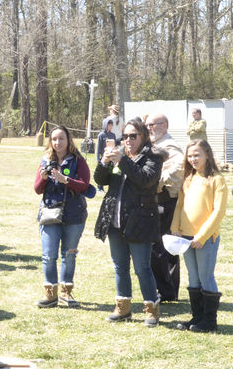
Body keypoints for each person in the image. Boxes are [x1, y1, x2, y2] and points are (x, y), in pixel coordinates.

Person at [94, 118, 163, 327]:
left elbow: (145, 179)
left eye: (133, 136)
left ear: (143, 136)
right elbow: (100, 180)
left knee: (142, 268)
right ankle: (123, 308)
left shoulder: (153, 156)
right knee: (120, 266)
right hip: (115, 220)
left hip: (139, 221)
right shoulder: (120, 155)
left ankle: (152, 309)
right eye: (125, 136)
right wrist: (105, 162)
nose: (128, 140)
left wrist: (122, 161)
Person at [170, 139, 228, 333]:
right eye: (190, 155)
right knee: (193, 277)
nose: (193, 159)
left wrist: (201, 237)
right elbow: (180, 206)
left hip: (205, 239)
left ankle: (210, 322)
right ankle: (197, 317)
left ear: (207, 155)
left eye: (197, 155)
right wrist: (175, 228)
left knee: (205, 276)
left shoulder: (217, 180)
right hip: (186, 238)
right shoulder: (189, 178)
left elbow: (218, 212)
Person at [34, 125, 91, 309]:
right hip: (50, 213)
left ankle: (66, 293)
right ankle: (50, 294)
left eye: (61, 138)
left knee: (69, 254)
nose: (58, 142)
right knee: (48, 255)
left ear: (68, 140)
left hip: (73, 214)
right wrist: (43, 177)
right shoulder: (46, 160)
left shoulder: (78, 161)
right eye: (54, 139)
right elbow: (37, 189)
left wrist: (65, 179)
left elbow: (84, 185)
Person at [145, 112, 185, 303]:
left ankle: (166, 290)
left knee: (160, 247)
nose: (149, 128)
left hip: (166, 200)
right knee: (164, 246)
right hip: (160, 200)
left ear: (165, 125)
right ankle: (168, 290)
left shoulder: (168, 145)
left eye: (153, 124)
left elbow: (180, 166)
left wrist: (158, 181)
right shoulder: (157, 144)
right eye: (147, 125)